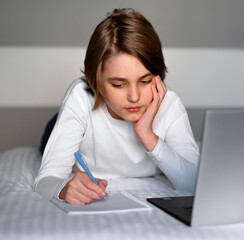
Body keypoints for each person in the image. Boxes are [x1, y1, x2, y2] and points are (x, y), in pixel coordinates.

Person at [33, 8, 199, 205]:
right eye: (119, 84)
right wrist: (64, 188)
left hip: (100, 122)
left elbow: (195, 182)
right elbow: (45, 180)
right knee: (52, 136)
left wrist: (147, 135)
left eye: (145, 81)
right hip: (82, 120)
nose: (134, 97)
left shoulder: (170, 104)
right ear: (95, 80)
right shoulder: (81, 95)